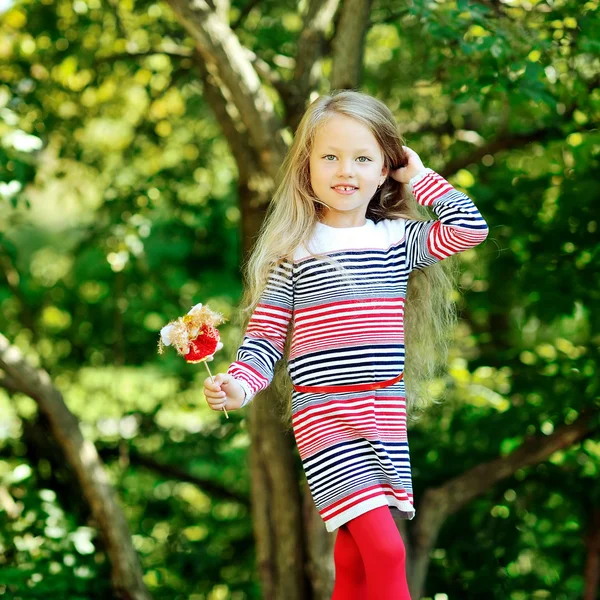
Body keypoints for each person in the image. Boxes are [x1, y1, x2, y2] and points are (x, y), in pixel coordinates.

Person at [203, 90, 489, 599]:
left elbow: (469, 228)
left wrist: (418, 176)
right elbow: (265, 340)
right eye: (330, 156)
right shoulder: (296, 251)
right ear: (307, 166)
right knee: (386, 550)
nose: (345, 169)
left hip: (383, 410)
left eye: (363, 158)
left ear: (385, 169)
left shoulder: (396, 240)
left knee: (355, 556)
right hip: (326, 415)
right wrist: (238, 389)